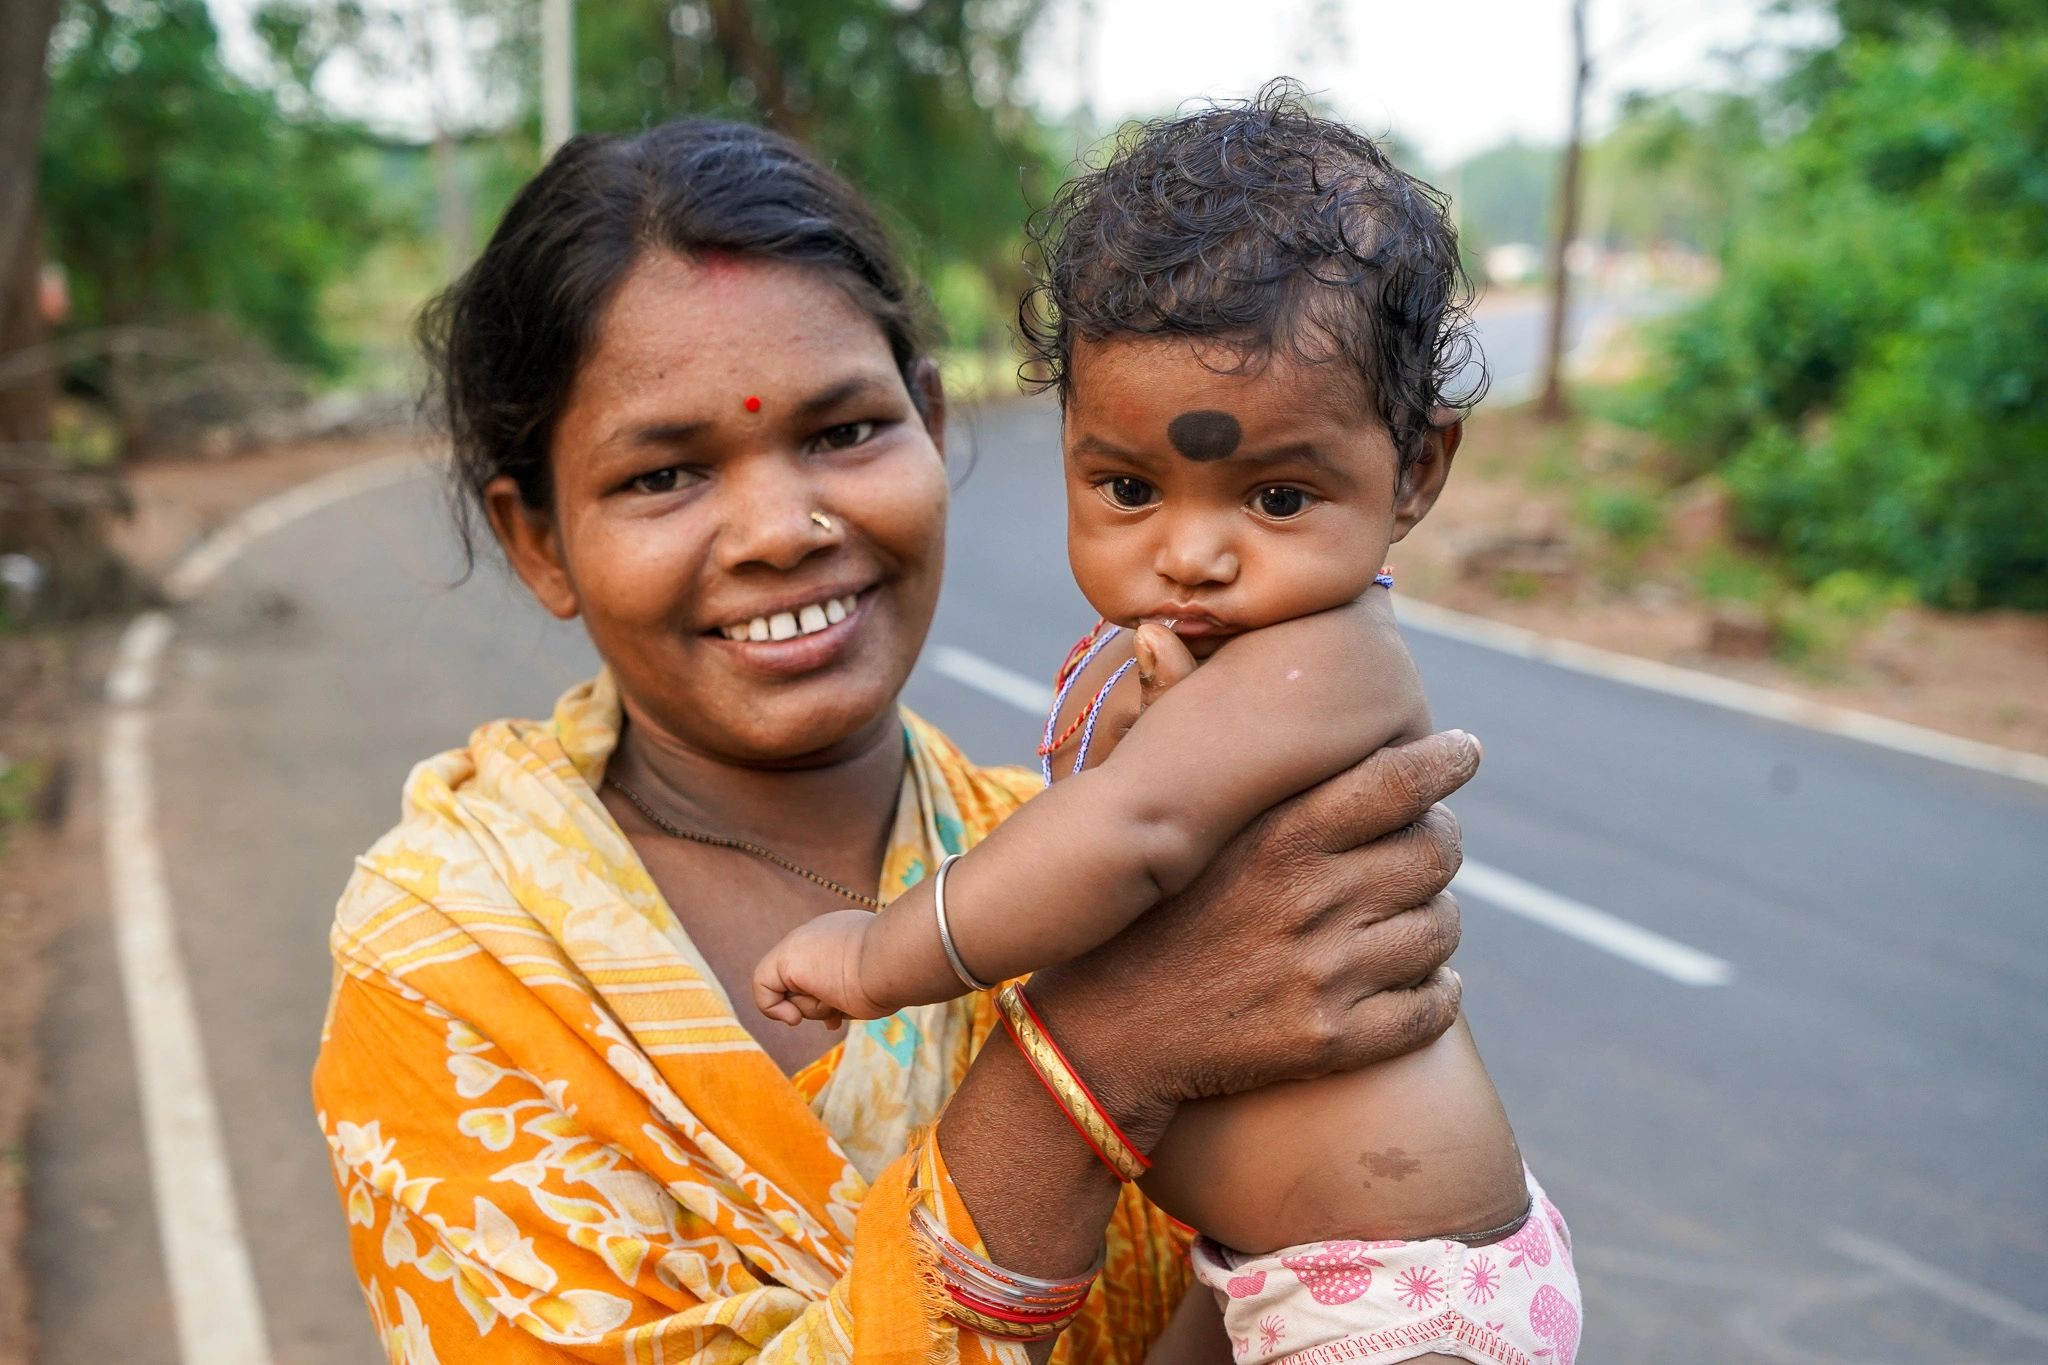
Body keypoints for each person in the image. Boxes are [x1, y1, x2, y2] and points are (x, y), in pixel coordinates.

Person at [312, 115, 1478, 1365]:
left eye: (842, 432)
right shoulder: (450, 959)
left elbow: (1275, 1274)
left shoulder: (1047, 843)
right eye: (663, 475)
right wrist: (1089, 1060)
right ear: (538, 537)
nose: (779, 528)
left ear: (929, 419)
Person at [752, 87, 1580, 1365]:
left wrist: (881, 957)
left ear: (1414, 472)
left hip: (1390, 1298)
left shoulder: (1322, 656)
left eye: (1280, 494)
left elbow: (1131, 833)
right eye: (1129, 487)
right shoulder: (1209, 651)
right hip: (1259, 1267)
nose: (1191, 553)